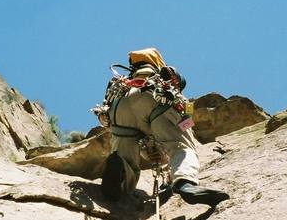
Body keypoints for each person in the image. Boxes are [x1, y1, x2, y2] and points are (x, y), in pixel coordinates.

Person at [95, 47, 229, 208]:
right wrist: (187, 123)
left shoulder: (123, 80)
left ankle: (119, 177)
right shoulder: (165, 72)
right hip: (155, 98)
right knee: (182, 147)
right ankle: (185, 182)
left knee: (124, 153)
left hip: (120, 106)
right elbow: (185, 102)